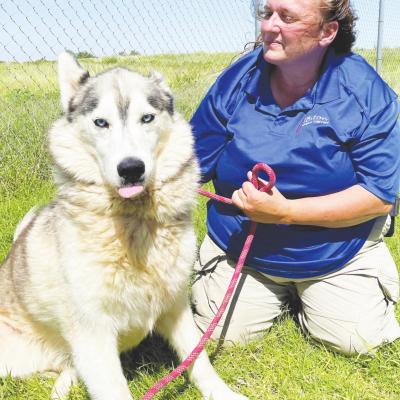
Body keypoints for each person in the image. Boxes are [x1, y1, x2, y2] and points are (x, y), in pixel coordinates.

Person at [190, 0, 400, 354]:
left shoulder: (363, 90)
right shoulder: (236, 81)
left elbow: (379, 196)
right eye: (268, 13)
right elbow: (188, 163)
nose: (270, 26)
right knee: (221, 340)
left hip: (336, 251)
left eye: (287, 17)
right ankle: (274, 291)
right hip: (244, 246)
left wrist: (286, 213)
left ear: (327, 32)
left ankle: (324, 290)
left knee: (358, 342)